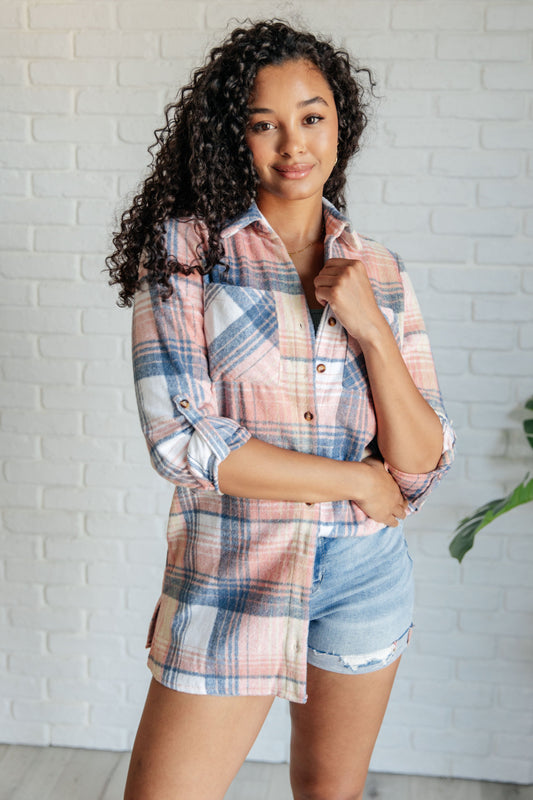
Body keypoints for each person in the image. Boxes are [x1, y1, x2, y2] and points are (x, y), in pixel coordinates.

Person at [107, 19, 455, 800]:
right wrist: (353, 480)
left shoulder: (379, 270)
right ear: (234, 137)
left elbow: (417, 466)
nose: (293, 144)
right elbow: (183, 442)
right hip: (235, 568)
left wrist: (370, 329)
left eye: (311, 117)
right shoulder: (186, 255)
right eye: (263, 124)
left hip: (364, 574)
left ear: (340, 124)